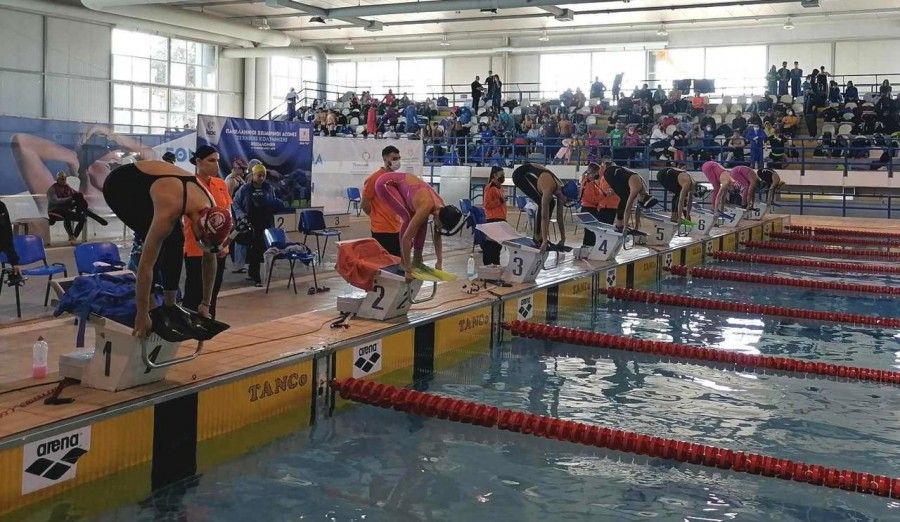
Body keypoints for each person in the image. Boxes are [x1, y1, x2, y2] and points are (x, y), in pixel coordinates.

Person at [103, 160, 231, 338]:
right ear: (199, 225)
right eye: (202, 238)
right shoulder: (170, 207)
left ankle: (170, 305)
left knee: (176, 238)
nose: (200, 242)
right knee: (161, 240)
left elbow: (210, 257)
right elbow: (146, 265)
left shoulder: (210, 207)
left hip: (159, 185)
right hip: (122, 185)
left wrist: (205, 304)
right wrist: (142, 314)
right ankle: (151, 306)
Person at [374, 172, 462, 275]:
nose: (439, 228)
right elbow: (406, 238)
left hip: (405, 186)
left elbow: (437, 235)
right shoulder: (426, 205)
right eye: (441, 226)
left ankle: (417, 260)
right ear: (440, 218)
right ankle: (403, 263)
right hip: (386, 184)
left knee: (422, 221)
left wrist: (439, 261)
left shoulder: (441, 207)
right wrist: (408, 268)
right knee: (408, 218)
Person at [182, 146, 230, 317]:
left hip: (219, 248)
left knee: (212, 296)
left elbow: (228, 215)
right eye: (211, 160)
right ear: (198, 162)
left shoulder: (220, 184)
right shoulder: (189, 185)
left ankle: (208, 327)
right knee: (194, 295)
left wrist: (225, 244)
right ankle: (189, 329)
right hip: (196, 248)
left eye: (217, 160)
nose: (216, 164)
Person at [233, 164, 285, 287]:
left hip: (265, 222)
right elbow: (235, 203)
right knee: (254, 249)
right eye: (259, 175)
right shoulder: (245, 189)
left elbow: (273, 202)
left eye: (263, 175)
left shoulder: (268, 187)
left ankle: (255, 273)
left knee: (262, 249)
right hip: (250, 223)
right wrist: (241, 216)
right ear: (253, 175)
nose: (261, 178)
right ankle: (256, 276)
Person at [511, 163, 569, 250]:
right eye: (568, 200)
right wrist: (545, 241)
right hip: (521, 174)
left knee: (551, 203)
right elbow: (544, 217)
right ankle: (538, 238)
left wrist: (563, 238)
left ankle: (541, 237)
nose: (567, 203)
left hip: (536, 175)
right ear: (565, 195)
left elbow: (559, 217)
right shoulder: (549, 187)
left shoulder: (562, 191)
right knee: (542, 203)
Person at [362, 146, 403, 256]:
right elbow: (365, 203)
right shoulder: (374, 178)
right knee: (385, 262)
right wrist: (376, 216)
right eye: (394, 158)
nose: (397, 161)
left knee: (398, 261)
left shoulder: (396, 179)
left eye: (398, 158)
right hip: (381, 230)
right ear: (385, 159)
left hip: (397, 228)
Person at [599, 162, 656, 234]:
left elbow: (638, 208)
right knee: (624, 199)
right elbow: (627, 209)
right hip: (610, 174)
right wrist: (625, 227)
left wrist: (636, 227)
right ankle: (619, 225)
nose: (637, 200)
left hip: (618, 171)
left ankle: (620, 224)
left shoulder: (643, 188)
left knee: (624, 198)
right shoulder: (635, 189)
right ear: (643, 199)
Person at [46, 172, 88, 243]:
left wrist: (80, 197)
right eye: (62, 179)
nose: (63, 181)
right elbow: (55, 201)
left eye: (64, 179)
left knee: (82, 218)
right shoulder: (52, 189)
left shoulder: (67, 187)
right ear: (58, 180)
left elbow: (76, 194)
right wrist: (70, 198)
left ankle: (74, 237)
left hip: (65, 210)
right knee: (67, 215)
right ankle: (71, 235)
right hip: (54, 210)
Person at [481, 166, 507, 265]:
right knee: (492, 245)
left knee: (498, 245)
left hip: (501, 218)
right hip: (493, 219)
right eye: (501, 174)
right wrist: (500, 200)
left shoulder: (500, 188)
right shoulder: (490, 187)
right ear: (495, 175)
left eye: (503, 174)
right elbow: (486, 205)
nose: (503, 176)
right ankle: (488, 265)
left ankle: (496, 264)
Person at [0, 199, 21, 279]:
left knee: (16, 272)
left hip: (4, 242)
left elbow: (6, 235)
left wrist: (14, 262)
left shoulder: (1, 206)